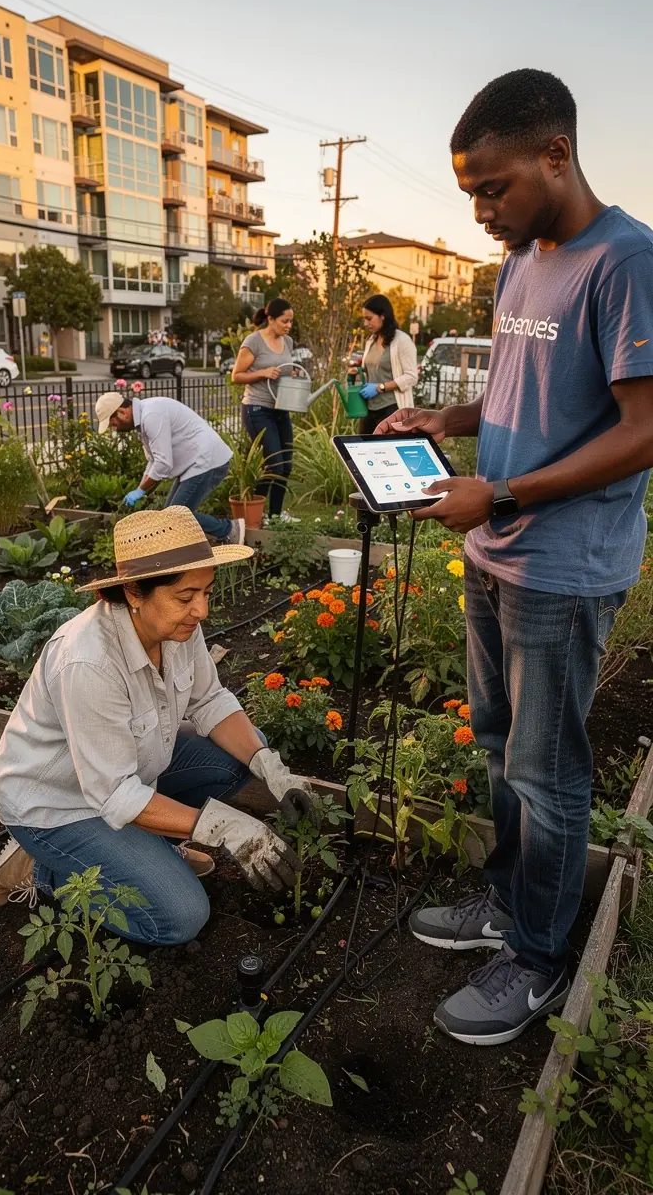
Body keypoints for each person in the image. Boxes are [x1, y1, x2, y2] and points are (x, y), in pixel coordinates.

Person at [376, 68, 653, 1046]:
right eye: (469, 194)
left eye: (492, 188)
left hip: (563, 567)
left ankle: (537, 956)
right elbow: (515, 390)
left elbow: (642, 429)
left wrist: (495, 493)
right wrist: (440, 418)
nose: (482, 211)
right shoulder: (521, 261)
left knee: (549, 771)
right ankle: (508, 905)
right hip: (496, 552)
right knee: (501, 745)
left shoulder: (626, 260)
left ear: (555, 153)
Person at [0, 506, 318, 946]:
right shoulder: (88, 661)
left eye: (206, 592)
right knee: (181, 917)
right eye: (185, 596)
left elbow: (211, 700)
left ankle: (149, 847)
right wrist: (229, 828)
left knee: (241, 759)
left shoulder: (177, 628)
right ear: (135, 593)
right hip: (59, 804)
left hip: (128, 772)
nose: (201, 609)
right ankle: (46, 868)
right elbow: (113, 793)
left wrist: (273, 770)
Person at [94, 392, 245, 546]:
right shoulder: (145, 417)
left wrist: (141, 490)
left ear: (122, 412)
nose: (114, 429)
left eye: (112, 423)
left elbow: (163, 463)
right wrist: (141, 488)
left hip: (207, 461)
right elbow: (154, 460)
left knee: (175, 517)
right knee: (170, 516)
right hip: (194, 463)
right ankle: (195, 544)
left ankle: (228, 530)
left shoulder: (151, 415)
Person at [232, 297, 300, 522]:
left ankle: (276, 515)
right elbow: (237, 376)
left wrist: (293, 375)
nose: (288, 326)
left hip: (281, 408)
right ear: (270, 319)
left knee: (286, 465)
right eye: (284, 321)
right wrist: (262, 373)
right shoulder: (254, 342)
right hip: (257, 409)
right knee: (274, 464)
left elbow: (286, 370)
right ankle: (257, 513)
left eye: (290, 322)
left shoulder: (288, 342)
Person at [357, 293, 420, 435]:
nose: (366, 323)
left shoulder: (401, 340)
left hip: (391, 408)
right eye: (364, 319)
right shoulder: (371, 340)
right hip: (369, 408)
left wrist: (381, 387)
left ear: (383, 316)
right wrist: (357, 370)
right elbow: (370, 369)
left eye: (369, 319)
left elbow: (411, 377)